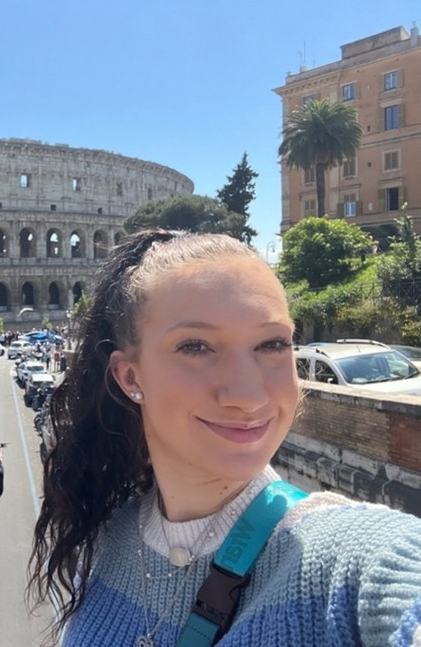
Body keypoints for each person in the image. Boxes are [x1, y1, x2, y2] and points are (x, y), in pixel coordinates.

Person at [28, 229, 421, 646]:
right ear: (130, 377)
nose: (248, 397)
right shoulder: (103, 543)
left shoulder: (349, 560)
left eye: (272, 344)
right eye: (196, 347)